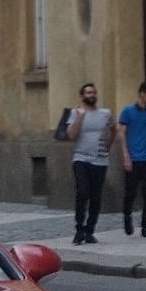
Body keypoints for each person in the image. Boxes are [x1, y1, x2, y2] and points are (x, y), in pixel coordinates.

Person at [64, 82, 114, 245]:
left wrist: (108, 144)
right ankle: (79, 229)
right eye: (88, 93)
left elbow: (114, 129)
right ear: (82, 96)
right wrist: (80, 116)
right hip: (81, 158)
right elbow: (71, 135)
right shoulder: (75, 112)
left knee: (95, 196)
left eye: (93, 92)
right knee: (82, 191)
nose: (91, 95)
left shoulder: (105, 114)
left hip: (100, 160)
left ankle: (90, 230)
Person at [118, 81, 146, 238]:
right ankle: (127, 215)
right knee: (131, 192)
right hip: (133, 158)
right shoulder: (128, 111)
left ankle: (145, 227)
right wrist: (125, 155)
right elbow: (122, 133)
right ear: (142, 94)